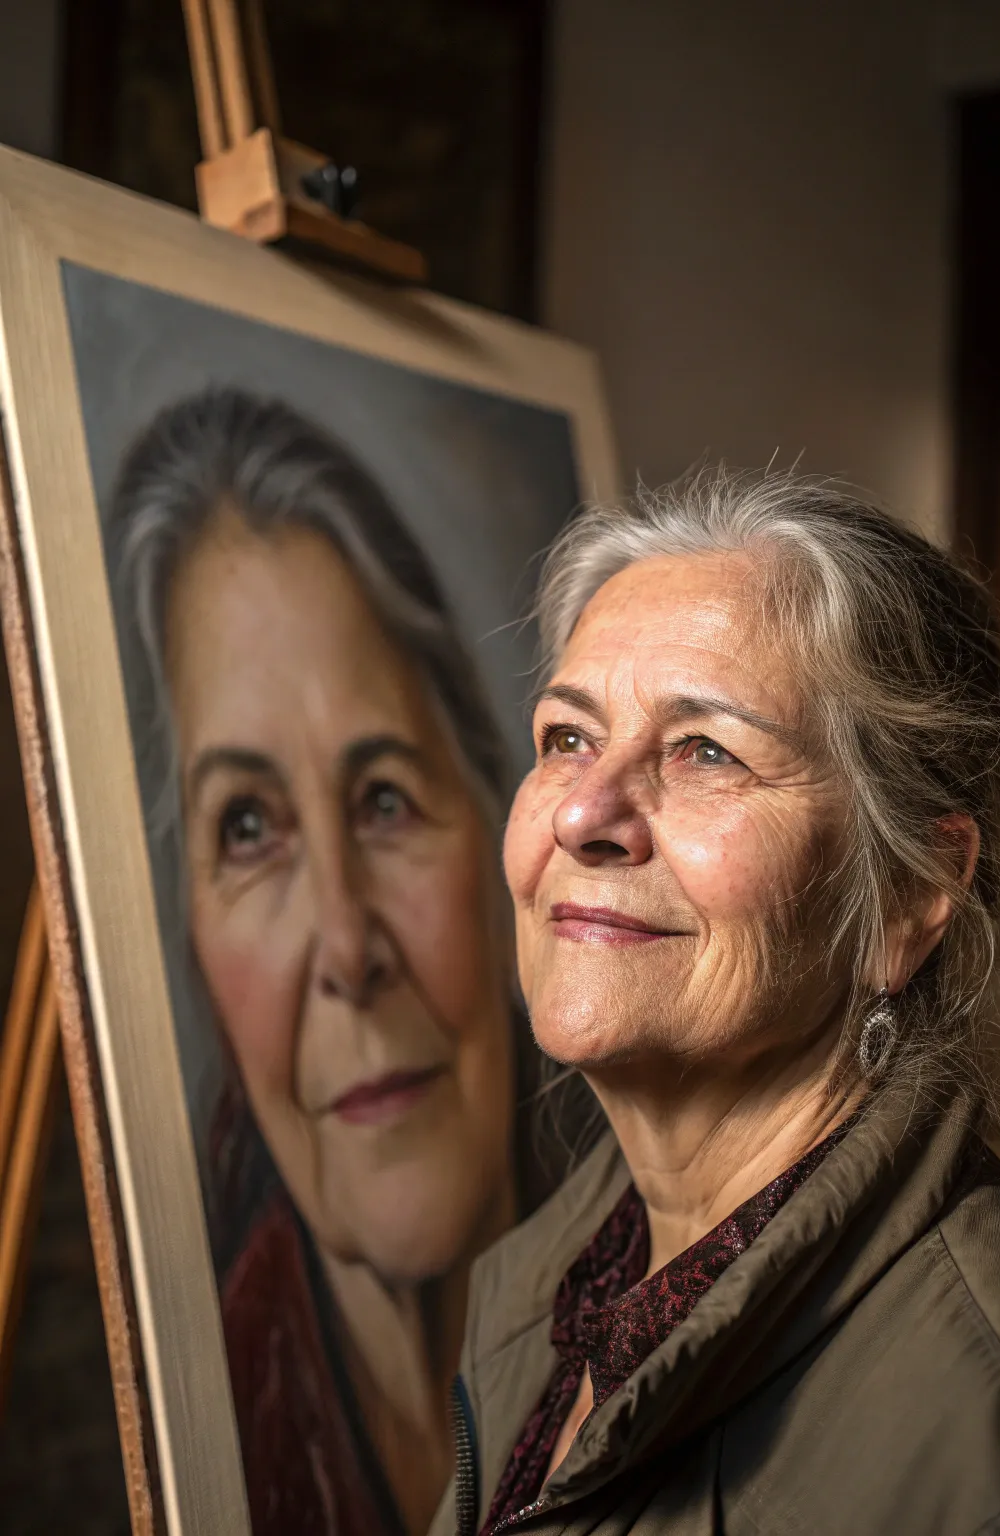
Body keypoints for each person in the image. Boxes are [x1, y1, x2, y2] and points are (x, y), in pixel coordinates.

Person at [434, 468, 1000, 1536]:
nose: (583, 815)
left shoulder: (993, 1428)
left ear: (909, 897)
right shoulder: (554, 1292)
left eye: (705, 751)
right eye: (568, 738)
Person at [108, 387, 577, 1536]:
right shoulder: (206, 1426)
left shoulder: (682, 1302)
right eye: (247, 829)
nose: (348, 945)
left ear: (502, 835)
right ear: (187, 942)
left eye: (384, 798)